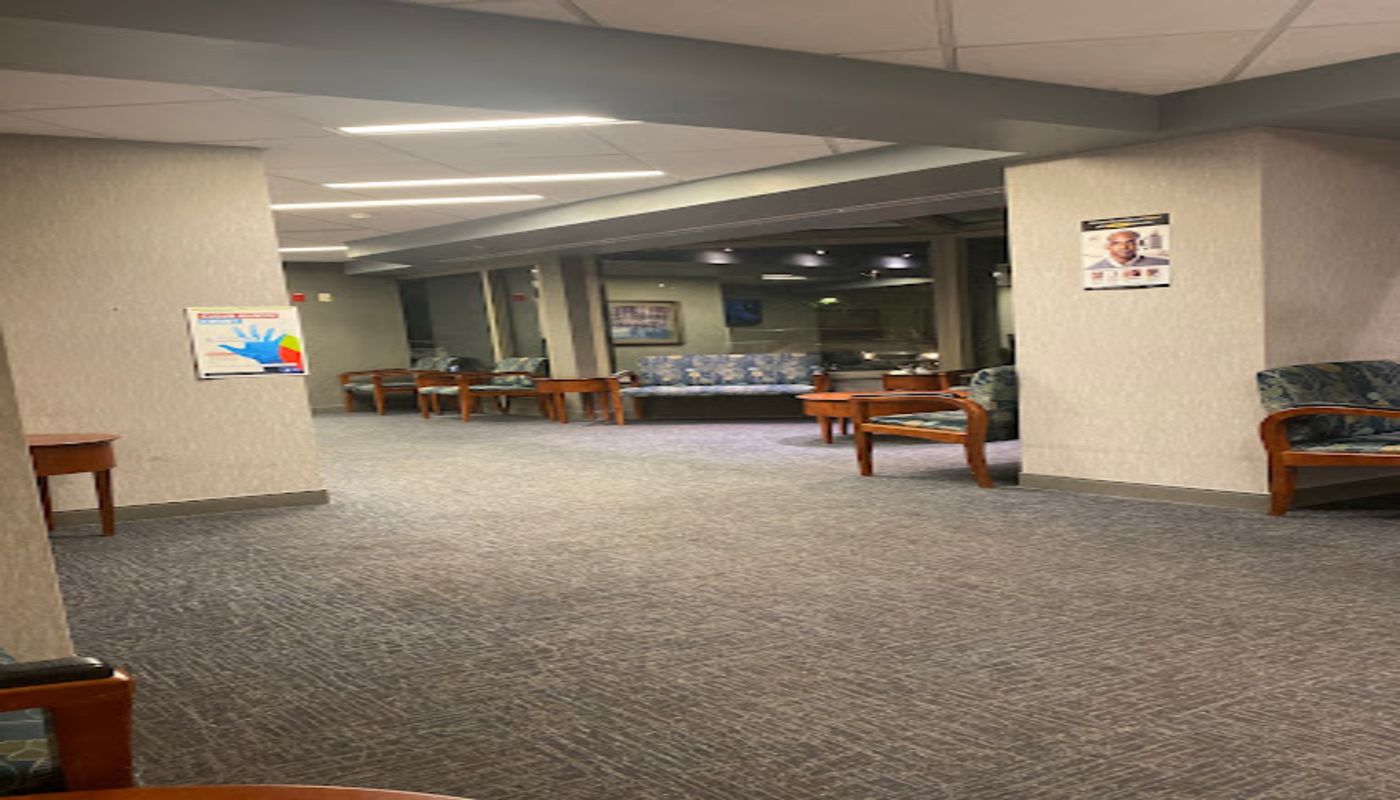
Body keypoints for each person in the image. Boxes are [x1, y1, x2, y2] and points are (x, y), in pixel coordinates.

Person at [1085, 229, 1169, 270]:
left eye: (1130, 242)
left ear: (1139, 244)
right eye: (1117, 243)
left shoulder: (1164, 264)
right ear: (1107, 246)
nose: (1124, 247)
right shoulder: (1092, 269)